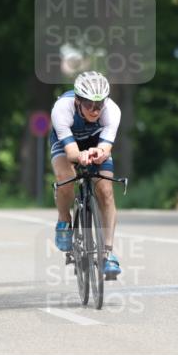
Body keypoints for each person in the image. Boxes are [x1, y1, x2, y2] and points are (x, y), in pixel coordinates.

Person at [49, 71, 122, 278]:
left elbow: (105, 148)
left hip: (96, 142)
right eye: (89, 103)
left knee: (106, 190)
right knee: (65, 180)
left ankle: (108, 253)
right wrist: (80, 156)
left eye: (99, 104)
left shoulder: (112, 111)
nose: (95, 109)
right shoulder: (62, 109)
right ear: (78, 100)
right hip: (66, 142)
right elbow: (72, 153)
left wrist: (99, 153)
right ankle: (64, 219)